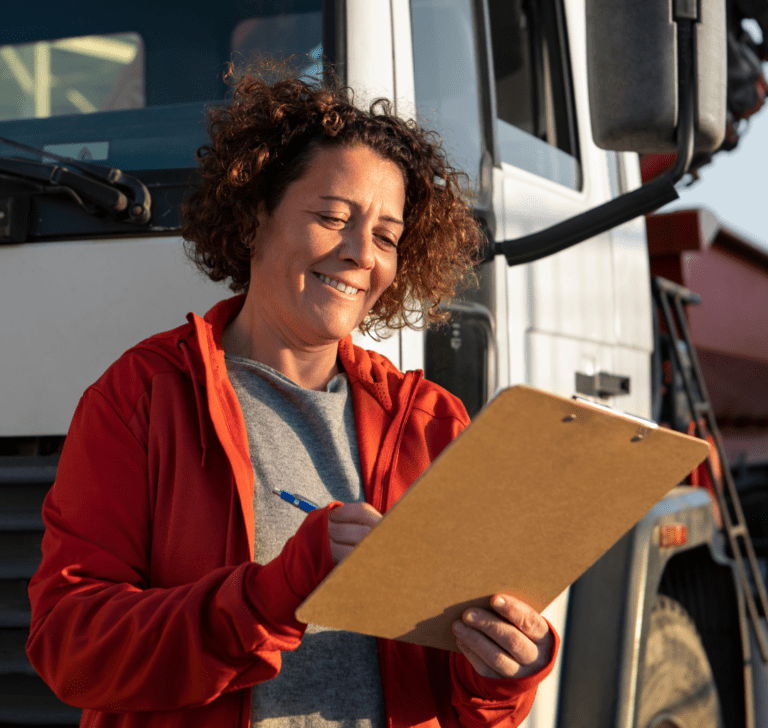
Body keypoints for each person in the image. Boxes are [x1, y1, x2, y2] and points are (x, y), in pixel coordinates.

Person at [26, 65, 559, 728]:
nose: (362, 254)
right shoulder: (140, 398)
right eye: (334, 217)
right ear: (255, 216)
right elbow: (71, 649)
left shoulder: (433, 425)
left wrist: (506, 671)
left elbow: (468, 707)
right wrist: (271, 594)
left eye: (388, 236)